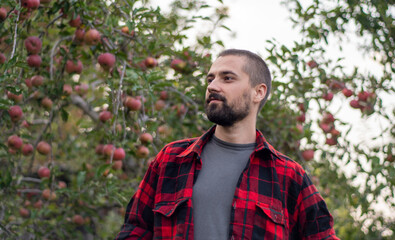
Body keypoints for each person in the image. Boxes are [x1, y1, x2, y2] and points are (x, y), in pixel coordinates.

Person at [115, 49, 339, 240]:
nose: (213, 86)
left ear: (258, 92)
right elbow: (135, 230)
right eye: (210, 79)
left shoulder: (288, 176)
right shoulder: (171, 159)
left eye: (227, 78)